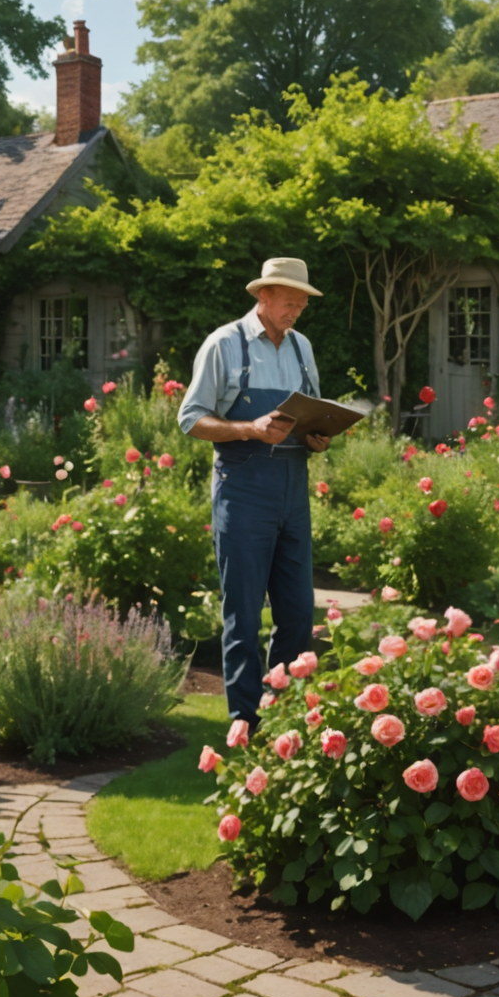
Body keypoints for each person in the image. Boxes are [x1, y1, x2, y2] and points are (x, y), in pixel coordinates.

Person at [178, 258, 334, 729]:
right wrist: (249, 427)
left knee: (297, 613)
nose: (297, 310)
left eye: (303, 303)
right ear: (262, 296)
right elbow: (191, 418)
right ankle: (245, 725)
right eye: (290, 301)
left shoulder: (302, 347)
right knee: (243, 614)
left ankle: (282, 718)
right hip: (243, 489)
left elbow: (312, 412)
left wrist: (318, 436)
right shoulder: (224, 344)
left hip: (293, 487)